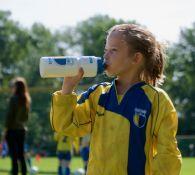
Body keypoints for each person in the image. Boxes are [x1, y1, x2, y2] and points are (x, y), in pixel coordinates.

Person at [50, 24, 182, 175]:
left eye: (113, 50)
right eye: (105, 50)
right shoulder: (98, 94)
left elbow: (168, 155)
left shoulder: (157, 100)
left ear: (136, 58)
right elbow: (65, 126)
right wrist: (67, 88)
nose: (105, 56)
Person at [4, 77, 31, 175]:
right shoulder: (27, 100)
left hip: (12, 130)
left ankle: (14, 172)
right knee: (21, 155)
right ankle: (24, 172)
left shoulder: (13, 99)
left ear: (16, 87)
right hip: (22, 130)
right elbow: (26, 118)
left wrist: (5, 129)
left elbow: (9, 116)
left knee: (14, 156)